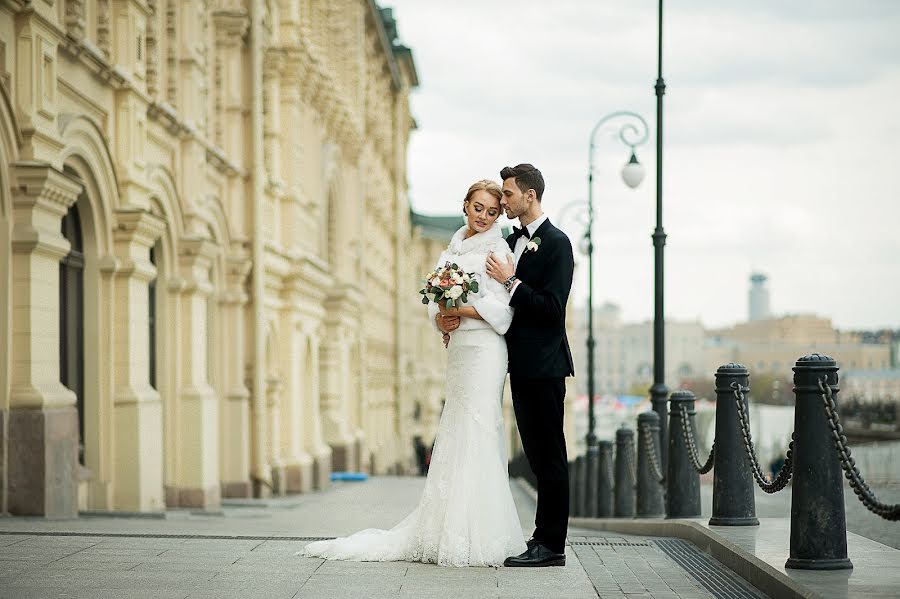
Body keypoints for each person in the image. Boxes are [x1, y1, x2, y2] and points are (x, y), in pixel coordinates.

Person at [300, 180, 526, 567]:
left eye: (492, 211)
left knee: (479, 428)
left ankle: (479, 532)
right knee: (455, 428)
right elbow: (434, 307)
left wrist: (463, 312)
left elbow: (504, 311)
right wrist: (443, 318)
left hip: (486, 351)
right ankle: (446, 526)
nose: (484, 216)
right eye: (478, 207)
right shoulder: (450, 250)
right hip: (459, 351)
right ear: (466, 206)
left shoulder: (498, 250)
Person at [485, 163, 575, 567]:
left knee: (549, 456)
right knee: (536, 454)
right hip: (518, 366)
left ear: (530, 196)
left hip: (545, 366)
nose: (503, 201)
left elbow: (553, 311)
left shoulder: (557, 243)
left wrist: (512, 282)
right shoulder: (510, 240)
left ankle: (551, 544)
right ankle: (542, 539)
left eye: (507, 194)